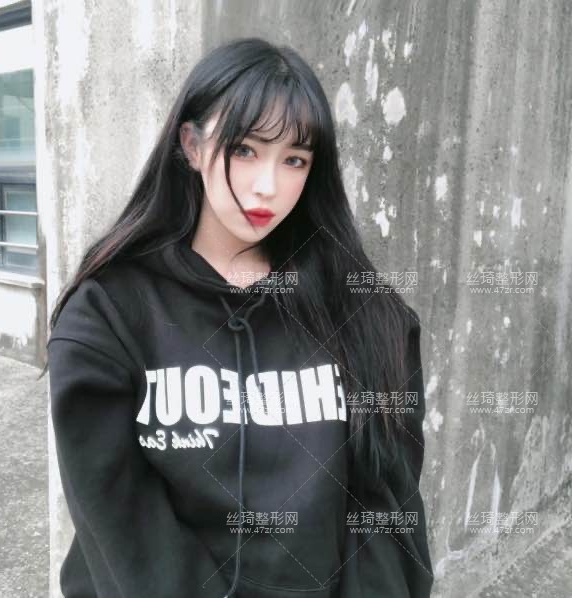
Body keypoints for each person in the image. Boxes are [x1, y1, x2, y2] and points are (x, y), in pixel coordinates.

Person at [40, 37, 434, 598]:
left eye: (294, 159)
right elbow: (120, 522)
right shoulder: (109, 314)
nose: (267, 185)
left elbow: (387, 511)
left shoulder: (364, 312)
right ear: (192, 145)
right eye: (245, 149)